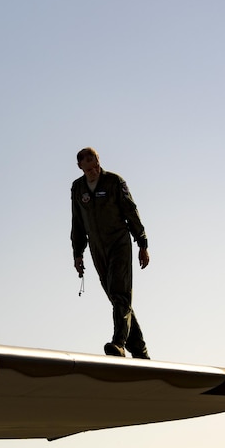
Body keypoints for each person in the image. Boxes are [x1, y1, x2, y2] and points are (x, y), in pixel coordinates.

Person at [70, 147, 151, 359]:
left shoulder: (114, 182)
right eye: (88, 168)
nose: (94, 171)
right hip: (98, 249)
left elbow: (130, 210)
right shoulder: (78, 188)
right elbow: (77, 222)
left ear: (99, 161)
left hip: (119, 244)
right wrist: (78, 253)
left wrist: (142, 242)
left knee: (120, 294)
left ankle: (118, 343)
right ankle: (140, 352)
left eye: (96, 164)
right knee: (117, 299)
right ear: (80, 167)